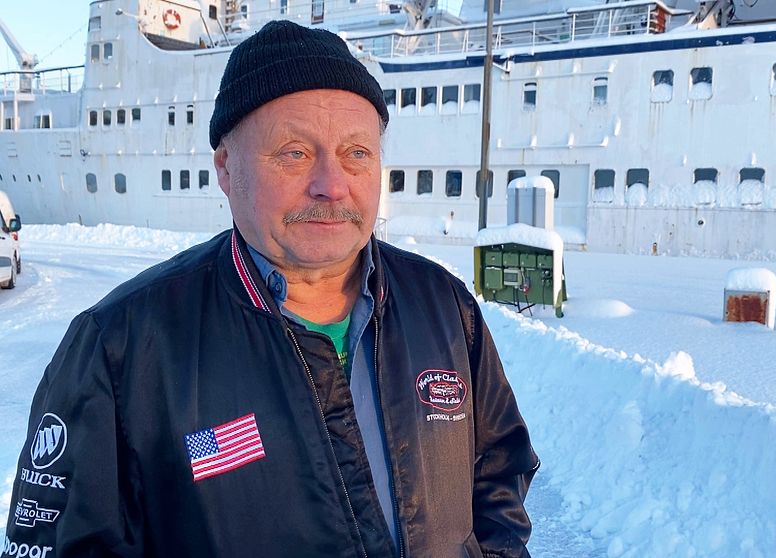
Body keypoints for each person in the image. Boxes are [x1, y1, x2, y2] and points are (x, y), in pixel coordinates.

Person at [4, 20, 539, 557]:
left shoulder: (445, 307)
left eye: (357, 153)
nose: (332, 184)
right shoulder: (119, 349)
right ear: (225, 166)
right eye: (294, 153)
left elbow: (499, 472)